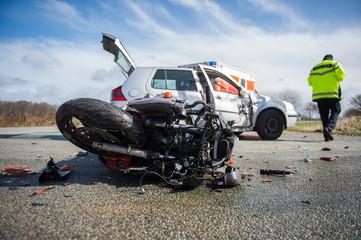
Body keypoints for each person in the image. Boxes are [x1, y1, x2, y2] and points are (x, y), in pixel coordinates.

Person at [307, 54, 346, 141]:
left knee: (324, 115)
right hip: (332, 94)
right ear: (331, 59)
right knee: (336, 110)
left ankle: (326, 135)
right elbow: (341, 76)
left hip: (319, 96)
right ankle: (329, 128)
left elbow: (310, 82)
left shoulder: (315, 67)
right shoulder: (334, 64)